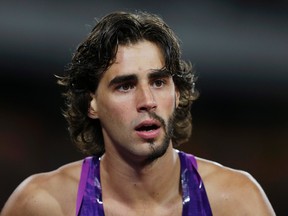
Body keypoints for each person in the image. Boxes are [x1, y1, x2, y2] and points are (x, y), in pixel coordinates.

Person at [1, 11, 275, 216]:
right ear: (92, 104)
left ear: (177, 94)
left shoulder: (236, 201)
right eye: (125, 86)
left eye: (158, 82)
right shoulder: (44, 204)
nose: (147, 101)